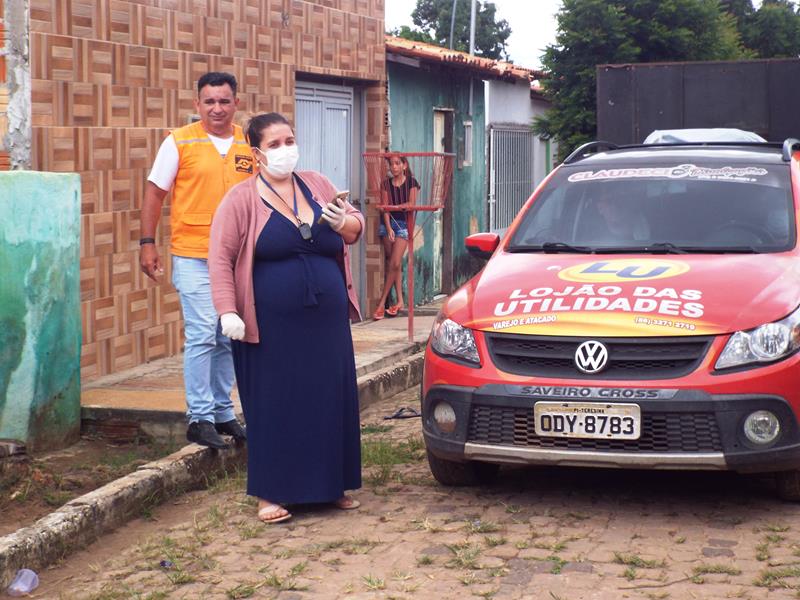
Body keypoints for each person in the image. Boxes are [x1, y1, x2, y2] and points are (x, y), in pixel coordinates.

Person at [208, 112, 364, 524]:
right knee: (276, 402)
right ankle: (272, 492)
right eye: (275, 144)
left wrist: (344, 220)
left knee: (329, 396)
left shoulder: (317, 184)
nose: (285, 150)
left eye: (289, 140)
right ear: (257, 153)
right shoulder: (240, 199)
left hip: (325, 322)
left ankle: (333, 485)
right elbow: (220, 259)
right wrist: (227, 310)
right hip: (271, 325)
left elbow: (355, 228)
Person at [139, 71, 250, 450]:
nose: (217, 108)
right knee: (203, 331)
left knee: (227, 336)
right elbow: (155, 193)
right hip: (193, 255)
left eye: (224, 101)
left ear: (236, 103)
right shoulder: (179, 142)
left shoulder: (248, 143)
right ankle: (199, 417)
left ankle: (222, 412)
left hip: (238, 258)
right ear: (196, 104)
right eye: (209, 101)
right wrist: (147, 243)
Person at [373, 154, 419, 320]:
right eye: (391, 164)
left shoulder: (412, 183)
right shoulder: (385, 184)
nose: (394, 167)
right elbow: (385, 208)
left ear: (404, 165)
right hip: (388, 226)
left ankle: (381, 303)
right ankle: (400, 301)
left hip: (404, 226)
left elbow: (411, 205)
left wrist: (397, 207)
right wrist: (388, 226)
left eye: (397, 164)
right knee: (394, 264)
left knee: (394, 263)